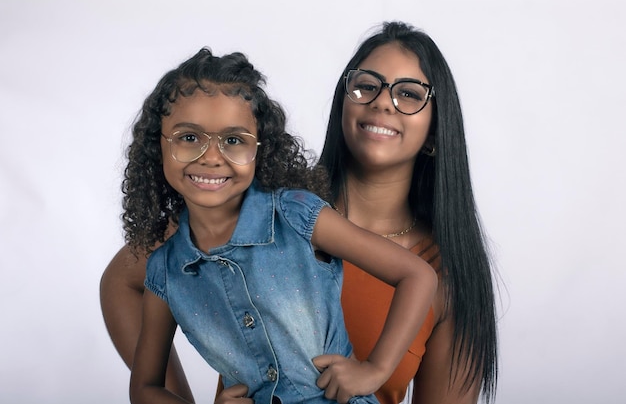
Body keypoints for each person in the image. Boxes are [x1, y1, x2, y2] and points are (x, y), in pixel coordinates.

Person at [100, 21, 499, 404]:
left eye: (409, 94)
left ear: (434, 130)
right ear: (343, 103)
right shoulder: (249, 201)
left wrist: (374, 369)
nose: (382, 102)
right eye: (366, 86)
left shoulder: (448, 276)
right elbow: (122, 281)